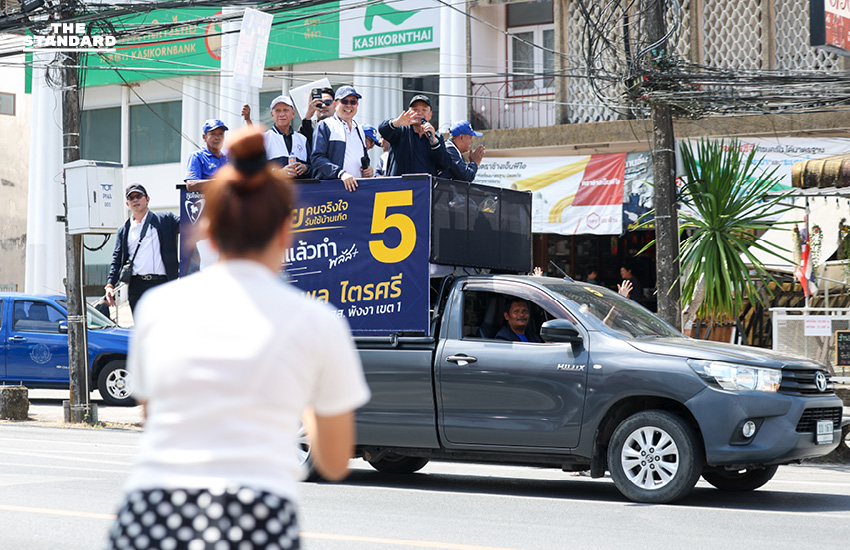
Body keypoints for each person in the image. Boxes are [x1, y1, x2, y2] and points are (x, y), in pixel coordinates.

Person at [106, 127, 371, 550]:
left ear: (207, 229)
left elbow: (153, 417)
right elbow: (335, 460)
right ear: (286, 233)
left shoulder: (159, 307)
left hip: (150, 509)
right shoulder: (316, 322)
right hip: (258, 513)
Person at [104, 184, 179, 314]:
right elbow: (117, 259)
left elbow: (190, 223)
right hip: (137, 286)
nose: (135, 200)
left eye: (138, 196)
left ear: (147, 199)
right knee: (142, 329)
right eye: (131, 198)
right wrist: (110, 285)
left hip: (163, 283)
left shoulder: (165, 219)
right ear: (127, 204)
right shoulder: (124, 230)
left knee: (164, 328)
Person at [311, 85, 374, 192]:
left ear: (357, 105)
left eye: (353, 102)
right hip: (332, 189)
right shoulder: (325, 125)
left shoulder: (359, 129)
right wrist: (341, 173)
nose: (349, 105)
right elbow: (317, 158)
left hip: (357, 189)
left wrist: (368, 169)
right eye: (344, 101)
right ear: (335, 104)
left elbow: (363, 158)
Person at [378, 94, 450, 177]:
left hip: (424, 187)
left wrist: (434, 142)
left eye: (424, 110)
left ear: (430, 115)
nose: (419, 113)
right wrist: (397, 122)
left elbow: (445, 165)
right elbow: (382, 129)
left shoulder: (436, 137)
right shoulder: (400, 131)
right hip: (401, 187)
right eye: (415, 109)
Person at [241, 95, 311, 178]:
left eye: (286, 110)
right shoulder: (264, 138)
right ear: (272, 114)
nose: (282, 114)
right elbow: (255, 167)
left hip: (303, 189)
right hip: (273, 190)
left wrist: (306, 168)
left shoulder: (302, 139)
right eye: (277, 111)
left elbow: (313, 167)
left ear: (293, 114)